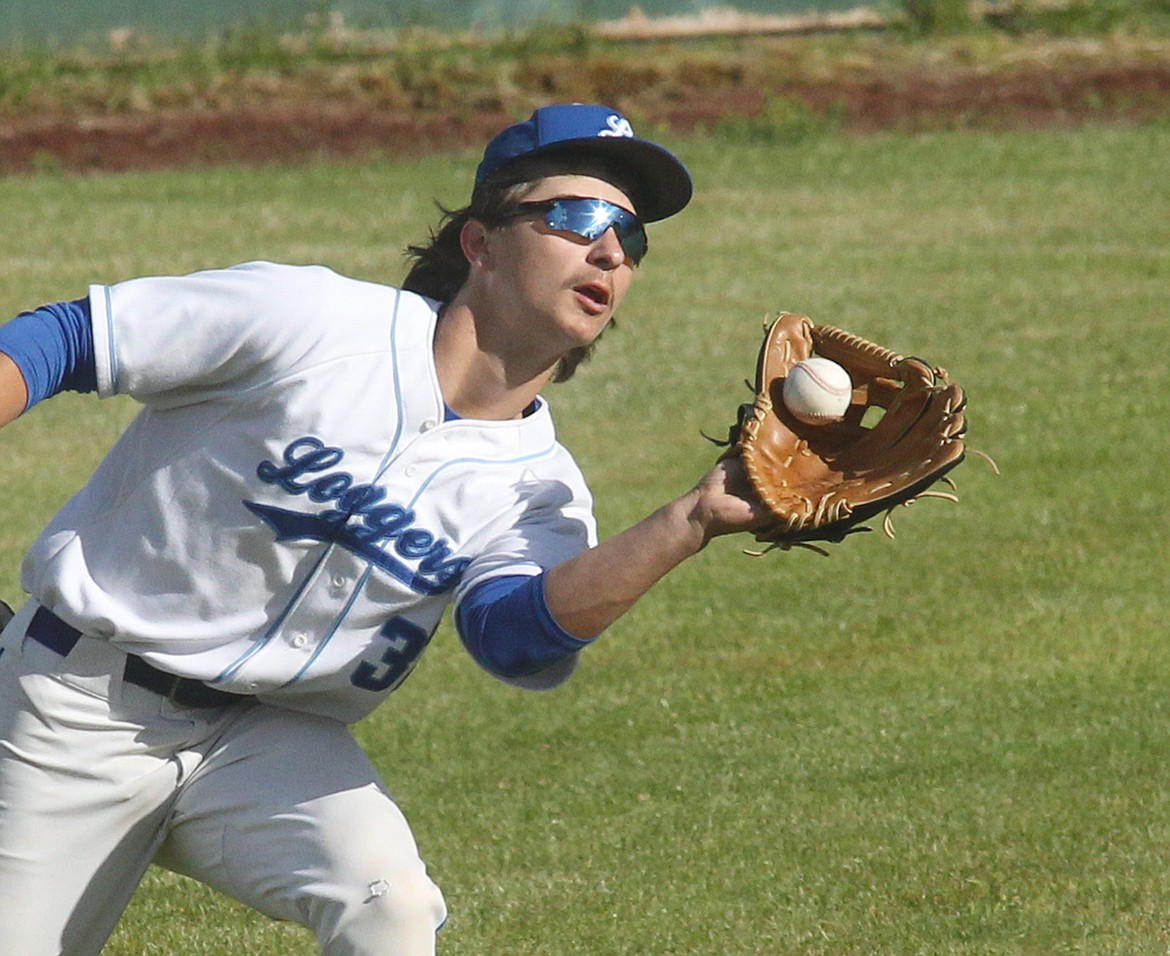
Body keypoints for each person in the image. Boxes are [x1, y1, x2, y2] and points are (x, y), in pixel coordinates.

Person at [0, 103, 767, 955]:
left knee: (391, 907)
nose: (611, 251)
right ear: (480, 243)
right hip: (78, 709)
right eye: (577, 216)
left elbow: (512, 638)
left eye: (631, 236)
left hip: (262, 743)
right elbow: (68, 339)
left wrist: (691, 520)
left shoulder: (540, 489)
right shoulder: (313, 322)